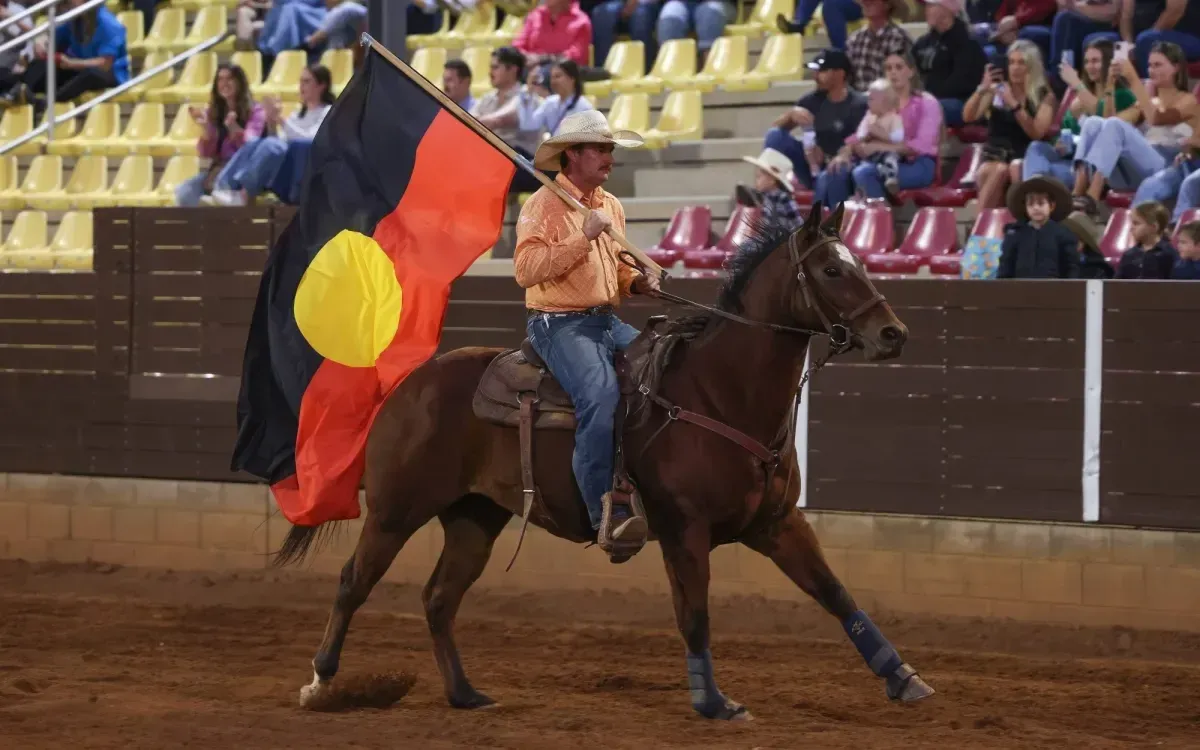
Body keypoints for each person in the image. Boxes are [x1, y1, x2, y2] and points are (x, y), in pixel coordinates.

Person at [513, 110, 659, 561]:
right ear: (572, 155)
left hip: (604, 320)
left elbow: (615, 271)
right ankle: (604, 515)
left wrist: (637, 282)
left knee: (661, 366)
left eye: (611, 150)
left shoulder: (610, 205)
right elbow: (526, 271)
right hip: (558, 323)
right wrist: (582, 238)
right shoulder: (542, 205)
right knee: (599, 396)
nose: (609, 158)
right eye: (601, 149)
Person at [1071, 41, 1197, 217]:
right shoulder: (1147, 103)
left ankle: (1092, 196)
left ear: (1176, 67)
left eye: (1158, 65)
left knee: (1115, 126)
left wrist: (1132, 78)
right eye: (1150, 65)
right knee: (1093, 122)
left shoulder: (1188, 101)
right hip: (1133, 170)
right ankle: (1077, 192)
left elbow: (1156, 118)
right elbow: (1108, 123)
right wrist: (1110, 83)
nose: (1152, 70)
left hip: (1163, 169)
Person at [207, 64, 334, 206]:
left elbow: (311, 139)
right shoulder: (296, 114)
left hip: (306, 169)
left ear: (321, 86)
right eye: (300, 82)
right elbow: (277, 140)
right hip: (286, 167)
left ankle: (244, 193)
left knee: (273, 146)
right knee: (255, 142)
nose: (301, 86)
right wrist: (271, 120)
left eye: (306, 81)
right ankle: (224, 187)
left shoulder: (328, 112)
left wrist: (280, 120)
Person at [1022, 38, 1138, 183]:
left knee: (1046, 174)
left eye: (1095, 61)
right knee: (1036, 147)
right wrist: (1059, 143)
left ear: (1109, 63)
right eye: (1087, 61)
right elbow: (1065, 132)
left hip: (1088, 167)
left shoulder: (1122, 95)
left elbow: (1105, 119)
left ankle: (1036, 189)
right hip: (1068, 157)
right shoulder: (1080, 94)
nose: (1090, 66)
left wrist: (1076, 83)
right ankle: (1036, 189)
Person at [963, 39, 1057, 209]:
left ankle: (980, 228)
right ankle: (983, 226)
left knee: (1006, 170)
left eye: (1021, 63)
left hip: (1022, 159)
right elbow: (968, 117)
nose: (1015, 68)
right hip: (992, 157)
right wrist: (981, 89)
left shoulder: (1045, 96)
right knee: (998, 170)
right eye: (1012, 62)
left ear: (1032, 67)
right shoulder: (997, 89)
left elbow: (1036, 133)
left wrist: (1014, 104)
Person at [764, 49, 868, 193]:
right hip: (811, 163)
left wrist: (838, 155)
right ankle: (767, 189)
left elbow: (863, 141)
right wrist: (791, 115)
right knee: (775, 135)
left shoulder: (859, 104)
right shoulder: (810, 100)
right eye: (815, 71)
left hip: (843, 168)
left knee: (832, 174)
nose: (815, 76)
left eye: (822, 71)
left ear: (840, 73)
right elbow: (775, 130)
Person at [2, 0, 129, 112]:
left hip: (110, 73)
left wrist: (72, 63)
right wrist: (41, 43)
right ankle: (20, 91)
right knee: (40, 65)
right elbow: (54, 40)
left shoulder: (108, 23)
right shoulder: (74, 21)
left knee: (92, 74)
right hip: (78, 67)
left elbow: (105, 64)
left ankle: (47, 103)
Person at [175, 64, 266, 207]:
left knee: (218, 190)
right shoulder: (214, 112)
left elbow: (251, 145)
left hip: (243, 171)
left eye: (229, 79)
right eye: (220, 79)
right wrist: (206, 128)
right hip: (219, 168)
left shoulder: (256, 110)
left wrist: (234, 128)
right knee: (184, 191)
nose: (224, 83)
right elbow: (206, 153)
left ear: (239, 82)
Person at [912, 0, 987, 127]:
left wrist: (925, 97)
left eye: (931, 6)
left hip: (961, 102)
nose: (926, 10)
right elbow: (910, 70)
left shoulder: (967, 42)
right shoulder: (924, 42)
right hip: (927, 98)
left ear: (947, 9)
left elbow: (960, 84)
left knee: (924, 109)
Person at [997, 175, 1081, 278]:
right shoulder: (1015, 233)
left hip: (1053, 290)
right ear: (1026, 207)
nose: (1036, 208)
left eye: (1041, 203)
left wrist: (1070, 289)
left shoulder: (1064, 234)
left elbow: (1071, 266)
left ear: (1052, 206)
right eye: (1031, 204)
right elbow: (1006, 264)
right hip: (1019, 290)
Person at [844, 0, 914, 91]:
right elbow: (848, 80)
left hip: (889, 101)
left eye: (872, 1)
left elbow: (902, 81)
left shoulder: (899, 38)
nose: (866, 2)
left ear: (887, 5)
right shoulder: (854, 39)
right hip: (858, 102)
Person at [519, 58, 593, 139]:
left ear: (572, 78)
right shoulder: (550, 102)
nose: (553, 81)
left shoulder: (584, 108)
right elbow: (528, 126)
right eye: (552, 77)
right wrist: (529, 92)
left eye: (558, 76)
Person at [734, 147, 804, 232]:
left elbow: (797, 223)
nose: (756, 181)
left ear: (772, 180)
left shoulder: (783, 198)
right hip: (768, 238)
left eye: (758, 177)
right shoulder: (764, 196)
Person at [513, 0, 592, 68]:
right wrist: (526, 57)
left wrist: (541, 59)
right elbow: (517, 46)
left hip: (562, 73)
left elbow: (576, 57)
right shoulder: (535, 15)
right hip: (529, 67)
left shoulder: (581, 21)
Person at [1116, 200, 1178, 278]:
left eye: (1136, 223)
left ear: (1153, 227)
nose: (1131, 227)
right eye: (1132, 223)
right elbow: (1117, 283)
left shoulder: (1169, 254)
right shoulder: (1129, 255)